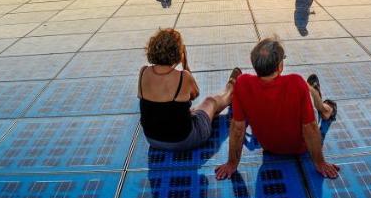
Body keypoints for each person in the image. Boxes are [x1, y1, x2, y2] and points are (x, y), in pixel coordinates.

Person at [215, 38, 339, 180]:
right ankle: (325, 109)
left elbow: (238, 128)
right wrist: (320, 162)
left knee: (250, 108)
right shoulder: (296, 83)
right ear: (280, 66)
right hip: (300, 148)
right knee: (306, 88)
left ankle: (314, 94)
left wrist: (232, 163)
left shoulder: (242, 83)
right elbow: (310, 128)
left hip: (270, 147)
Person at [138, 28, 240, 150]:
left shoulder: (143, 72)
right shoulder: (182, 76)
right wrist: (185, 64)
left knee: (191, 110)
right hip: (184, 140)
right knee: (210, 101)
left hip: (153, 140)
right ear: (178, 51)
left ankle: (205, 114)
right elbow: (194, 94)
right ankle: (230, 89)